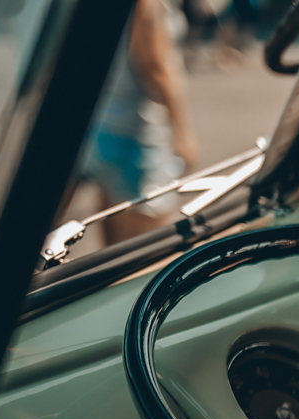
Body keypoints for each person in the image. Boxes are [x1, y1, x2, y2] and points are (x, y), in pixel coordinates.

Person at [79, 0, 198, 243]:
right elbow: (155, 66)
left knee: (113, 243)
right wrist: (183, 132)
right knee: (145, 247)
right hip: (136, 133)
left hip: (101, 124)